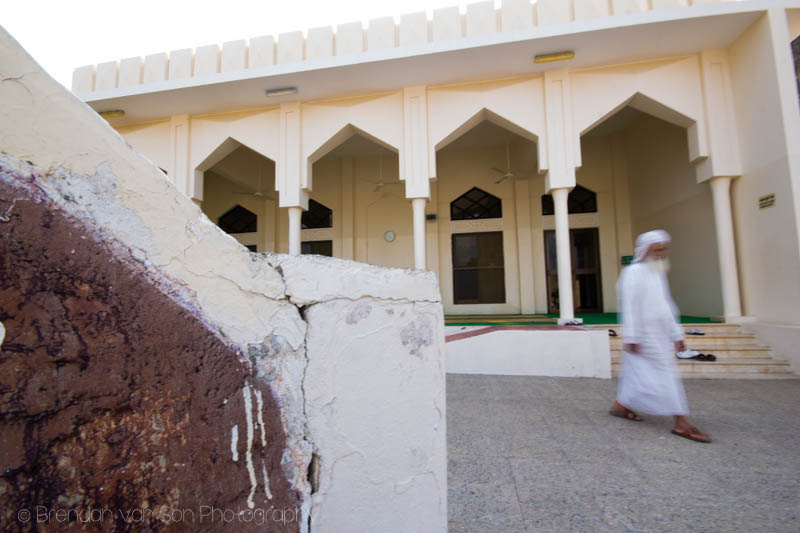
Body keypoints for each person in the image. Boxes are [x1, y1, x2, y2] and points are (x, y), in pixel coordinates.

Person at [609, 230, 712, 443]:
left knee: (637, 373)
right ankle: (681, 422)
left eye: (664, 249)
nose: (661, 253)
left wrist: (677, 334)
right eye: (657, 249)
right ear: (645, 250)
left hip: (660, 336)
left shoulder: (657, 272)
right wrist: (632, 336)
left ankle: (621, 405)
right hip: (643, 336)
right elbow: (628, 306)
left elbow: (666, 305)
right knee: (664, 376)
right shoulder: (633, 272)